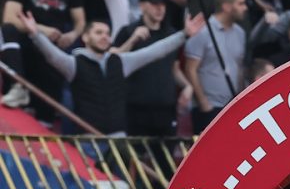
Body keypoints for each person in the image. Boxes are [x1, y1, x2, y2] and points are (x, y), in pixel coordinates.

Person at [21, 11, 203, 136]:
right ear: (85, 37)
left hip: (118, 138)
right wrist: (35, 35)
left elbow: (155, 51)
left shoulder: (120, 62)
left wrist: (184, 34)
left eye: (107, 33)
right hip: (88, 138)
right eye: (98, 32)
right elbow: (52, 56)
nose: (104, 37)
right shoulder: (75, 63)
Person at [0, 0, 85, 122]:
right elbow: (9, 19)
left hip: (53, 52)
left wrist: (72, 35)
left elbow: (80, 21)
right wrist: (40, 30)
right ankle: (17, 86)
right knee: (7, 31)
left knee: (46, 111)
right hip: (27, 48)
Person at [113, 0, 192, 137]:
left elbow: (174, 69)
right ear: (142, 6)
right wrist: (132, 40)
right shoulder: (128, 31)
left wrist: (187, 86)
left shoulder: (172, 34)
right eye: (155, 4)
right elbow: (114, 63)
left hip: (165, 107)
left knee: (164, 157)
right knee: (135, 157)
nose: (160, 9)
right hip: (136, 107)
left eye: (162, 5)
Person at [185, 0, 247, 133]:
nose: (245, 8)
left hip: (232, 107)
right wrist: (203, 103)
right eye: (240, 3)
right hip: (209, 107)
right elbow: (190, 68)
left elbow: (239, 68)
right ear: (226, 6)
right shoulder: (203, 31)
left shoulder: (240, 33)